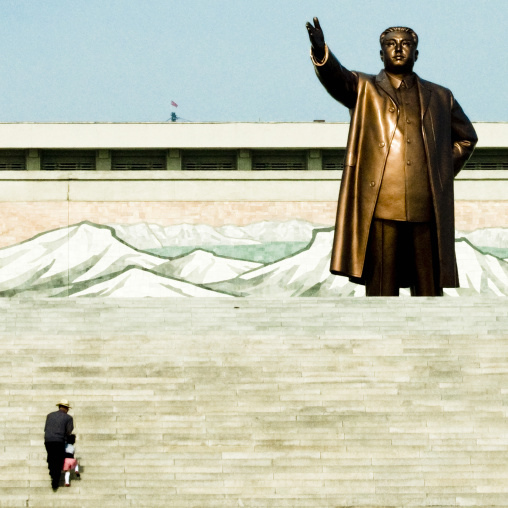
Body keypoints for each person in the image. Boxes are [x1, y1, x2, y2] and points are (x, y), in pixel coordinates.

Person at [306, 18, 478, 296]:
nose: (398, 49)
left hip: (426, 205)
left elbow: (467, 137)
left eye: (405, 44)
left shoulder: (440, 96)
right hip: (382, 203)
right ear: (381, 53)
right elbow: (337, 78)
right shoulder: (364, 88)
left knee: (428, 287)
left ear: (416, 53)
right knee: (381, 286)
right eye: (390, 44)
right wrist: (321, 53)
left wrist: (440, 168)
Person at [44, 399, 74, 490]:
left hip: (48, 440)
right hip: (59, 441)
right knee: (58, 460)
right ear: (66, 408)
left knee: (51, 456)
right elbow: (69, 431)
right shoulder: (68, 418)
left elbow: (45, 428)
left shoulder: (49, 415)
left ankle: (51, 470)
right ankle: (55, 480)